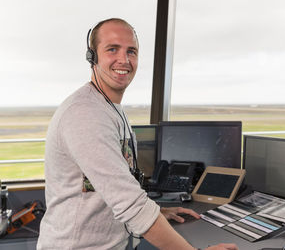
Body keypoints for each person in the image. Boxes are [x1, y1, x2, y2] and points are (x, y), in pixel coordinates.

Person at [37, 18, 238, 250]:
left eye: (131, 51)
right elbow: (130, 204)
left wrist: (158, 211)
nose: (124, 59)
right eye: (112, 49)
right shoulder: (85, 115)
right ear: (92, 56)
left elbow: (116, 190)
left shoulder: (111, 110)